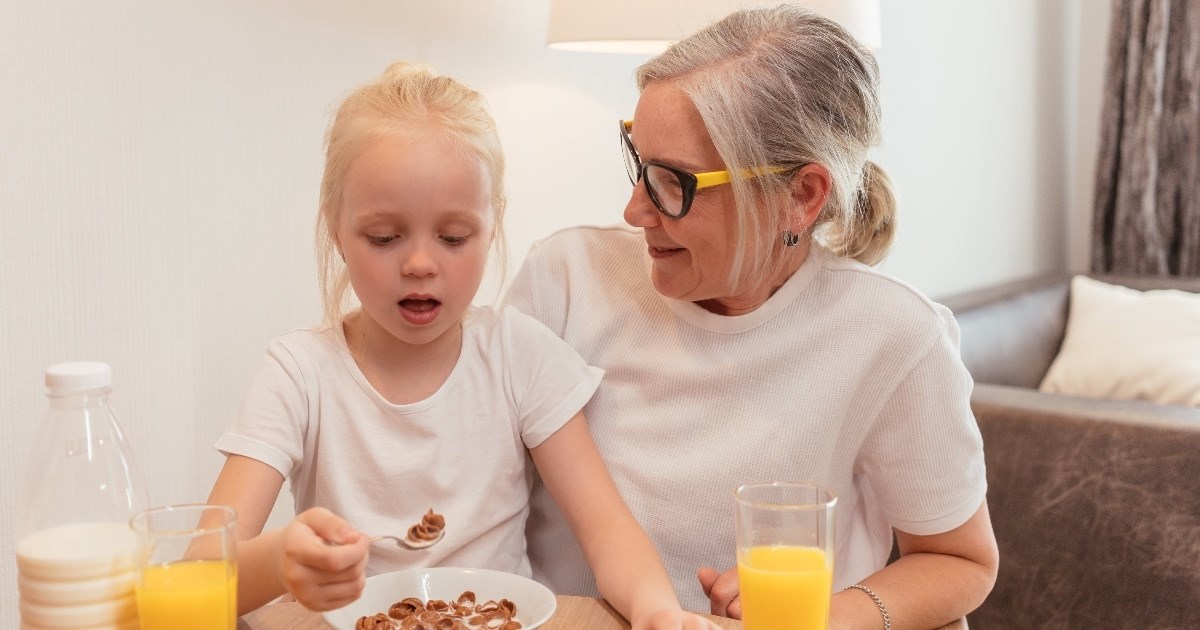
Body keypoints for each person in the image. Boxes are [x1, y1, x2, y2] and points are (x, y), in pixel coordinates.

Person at [505, 6, 999, 629]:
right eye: (639, 163)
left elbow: (961, 562)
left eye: (673, 182)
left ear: (802, 196)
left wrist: (824, 616)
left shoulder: (895, 336)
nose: (635, 210)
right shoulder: (566, 279)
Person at [205, 62, 715, 630]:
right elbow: (192, 584)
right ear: (336, 231)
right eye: (384, 237)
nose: (420, 264)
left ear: (491, 227)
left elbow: (609, 532)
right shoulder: (299, 374)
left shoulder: (520, 355)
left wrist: (657, 612)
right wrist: (277, 562)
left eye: (453, 238)